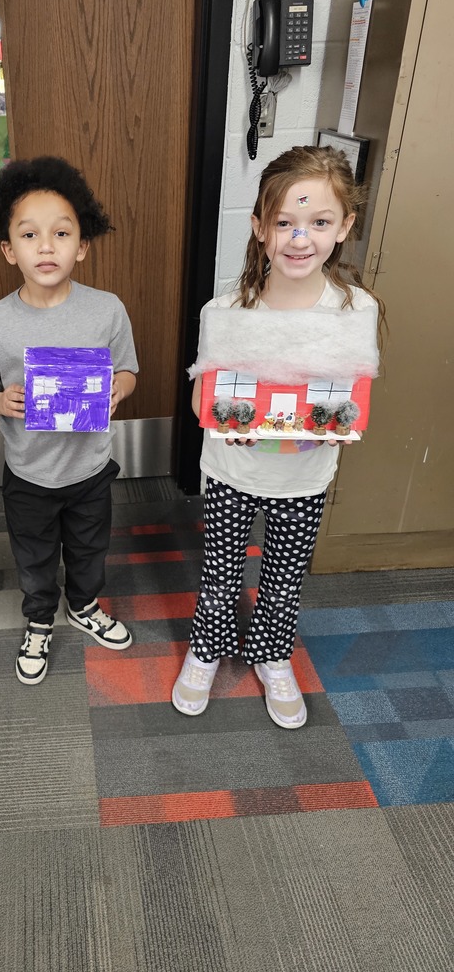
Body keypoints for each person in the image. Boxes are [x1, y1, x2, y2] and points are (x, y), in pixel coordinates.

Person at [172, 145, 385, 729]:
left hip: (306, 476)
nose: (300, 238)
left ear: (344, 227)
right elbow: (202, 393)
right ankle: (207, 648)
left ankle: (271, 654)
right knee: (220, 569)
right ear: (260, 229)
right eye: (285, 223)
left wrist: (341, 425)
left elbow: (353, 393)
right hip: (231, 471)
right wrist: (219, 418)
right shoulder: (228, 308)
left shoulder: (353, 310)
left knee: (284, 576)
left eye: (318, 223)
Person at [0, 156, 138, 684]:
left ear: (82, 246)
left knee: (90, 548)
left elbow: (129, 370)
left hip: (89, 468)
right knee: (34, 555)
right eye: (29, 235)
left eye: (61, 233)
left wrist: (117, 390)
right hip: (29, 474)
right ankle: (39, 617)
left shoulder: (106, 309)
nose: (46, 246)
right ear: (7, 248)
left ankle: (82, 606)